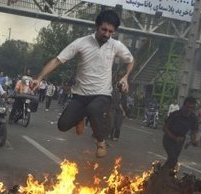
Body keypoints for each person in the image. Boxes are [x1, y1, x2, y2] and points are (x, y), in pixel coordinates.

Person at [30, 10, 134, 158]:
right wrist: (39, 78)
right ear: (97, 26)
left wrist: (126, 77)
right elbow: (57, 60)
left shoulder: (115, 45)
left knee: (93, 109)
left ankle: (101, 142)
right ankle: (80, 116)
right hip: (80, 94)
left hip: (102, 94)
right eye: (104, 29)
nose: (107, 34)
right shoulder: (81, 43)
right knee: (63, 125)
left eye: (111, 31)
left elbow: (130, 61)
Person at [162, 96, 199, 170]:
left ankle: (161, 174)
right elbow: (165, 128)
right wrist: (175, 138)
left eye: (192, 108)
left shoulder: (193, 118)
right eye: (188, 107)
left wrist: (194, 140)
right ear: (184, 105)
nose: (189, 109)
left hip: (180, 140)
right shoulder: (175, 114)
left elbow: (193, 131)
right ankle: (162, 175)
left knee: (172, 160)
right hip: (168, 138)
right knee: (173, 159)